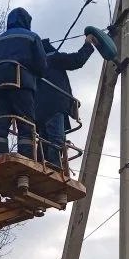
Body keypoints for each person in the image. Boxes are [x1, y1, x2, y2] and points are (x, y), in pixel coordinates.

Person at [0, 7, 47, 158]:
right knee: (26, 121)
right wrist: (36, 76)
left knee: (0, 121)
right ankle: (27, 156)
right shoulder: (32, 37)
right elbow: (42, 66)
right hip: (21, 85)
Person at [36, 34, 95, 168]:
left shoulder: (34, 66)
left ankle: (43, 165)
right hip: (55, 105)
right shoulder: (53, 58)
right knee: (56, 139)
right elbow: (77, 60)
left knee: (44, 140)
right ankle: (54, 167)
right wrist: (88, 44)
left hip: (38, 110)